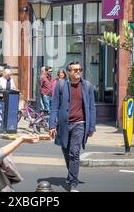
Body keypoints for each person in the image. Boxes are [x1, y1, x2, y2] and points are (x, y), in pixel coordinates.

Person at [49, 61, 96, 192]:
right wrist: (52, 125)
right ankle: (71, 174)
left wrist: (91, 126)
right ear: (68, 72)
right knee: (66, 151)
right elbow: (54, 106)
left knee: (74, 152)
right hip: (63, 125)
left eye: (79, 69)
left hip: (79, 124)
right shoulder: (61, 85)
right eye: (75, 70)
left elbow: (92, 107)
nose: (78, 72)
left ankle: (72, 182)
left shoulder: (87, 86)